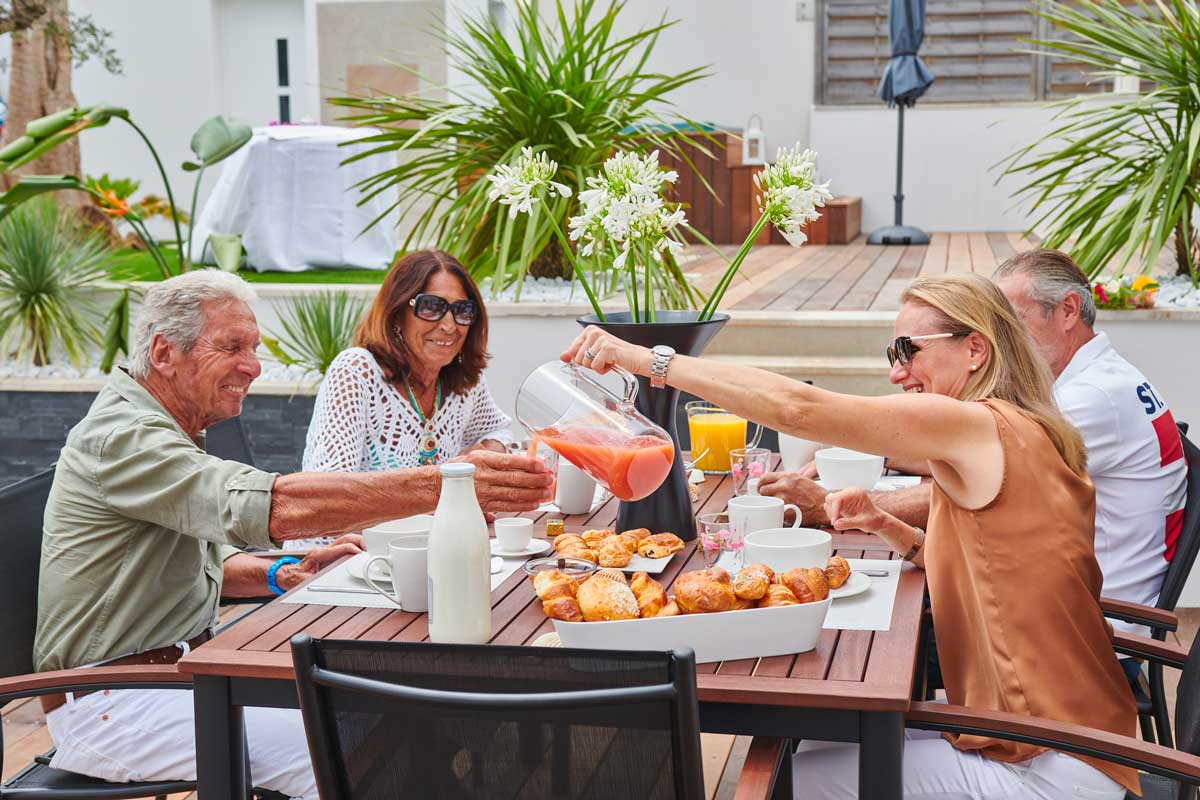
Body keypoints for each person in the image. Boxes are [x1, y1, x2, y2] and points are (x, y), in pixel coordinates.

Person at [565, 273, 1136, 799]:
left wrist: (650, 360)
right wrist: (890, 527)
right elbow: (997, 567)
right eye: (893, 353)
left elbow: (800, 407)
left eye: (908, 350)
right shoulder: (1016, 430)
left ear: (975, 348)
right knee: (810, 745)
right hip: (1048, 735)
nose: (896, 370)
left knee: (795, 777)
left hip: (1055, 762)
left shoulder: (980, 424)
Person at [35, 270, 552, 798]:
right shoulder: (124, 436)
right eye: (232, 346)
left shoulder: (169, 428)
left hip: (187, 672)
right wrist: (447, 485)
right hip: (111, 701)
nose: (252, 366)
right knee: (340, 745)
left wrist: (286, 571)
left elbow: (197, 566)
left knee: (394, 718)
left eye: (254, 348)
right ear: (165, 353)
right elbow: (275, 506)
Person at [760, 249, 1188, 634]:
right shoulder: (1094, 381)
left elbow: (974, 482)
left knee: (849, 630)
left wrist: (826, 505)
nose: (1003, 341)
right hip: (1061, 605)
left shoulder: (1088, 399)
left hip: (1091, 632)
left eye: (1009, 323)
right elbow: (971, 463)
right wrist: (872, 457)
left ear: (1068, 310)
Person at [287, 250, 515, 552]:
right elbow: (330, 498)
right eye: (432, 307)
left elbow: (499, 432)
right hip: (335, 562)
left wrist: (481, 453)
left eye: (462, 310)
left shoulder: (462, 382)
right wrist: (435, 502)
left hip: (422, 553)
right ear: (397, 312)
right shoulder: (356, 371)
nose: (450, 325)